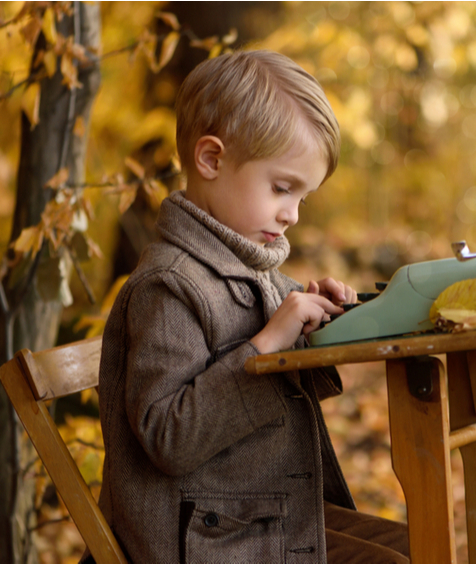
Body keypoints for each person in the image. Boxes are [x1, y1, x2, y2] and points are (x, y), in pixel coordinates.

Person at [95, 50, 410, 563]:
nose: (292, 215)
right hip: (204, 538)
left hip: (257, 511)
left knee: (420, 545)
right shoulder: (168, 286)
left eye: (302, 197)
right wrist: (265, 347)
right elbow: (169, 436)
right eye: (283, 189)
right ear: (211, 160)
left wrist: (323, 327)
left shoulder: (253, 271)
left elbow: (285, 380)